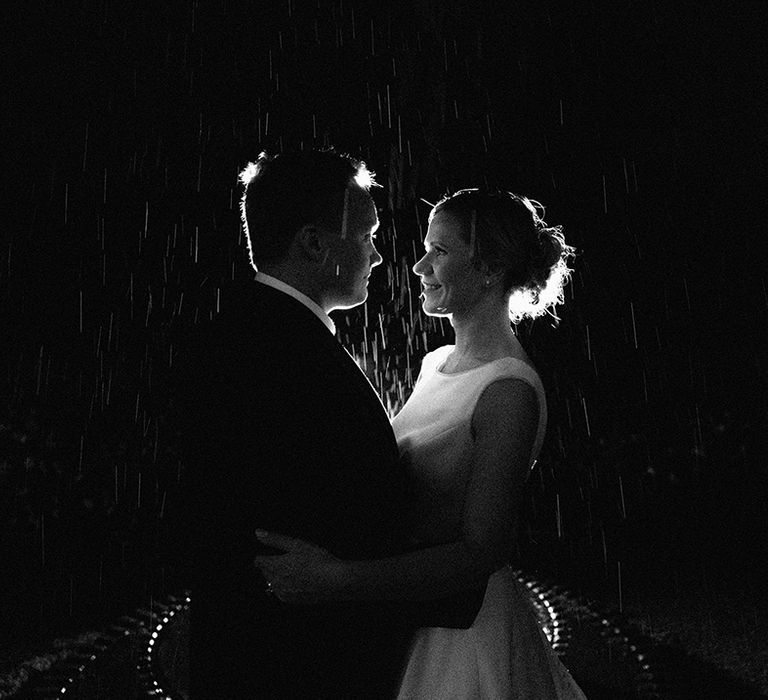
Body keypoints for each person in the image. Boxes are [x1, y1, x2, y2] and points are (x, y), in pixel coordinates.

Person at [172, 150, 487, 698]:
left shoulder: (249, 332)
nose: (380, 255)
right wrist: (461, 582)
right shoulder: (287, 357)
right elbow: (343, 525)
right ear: (315, 243)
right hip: (296, 668)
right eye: (366, 236)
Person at [254, 188, 588, 698]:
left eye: (440, 251)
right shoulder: (436, 363)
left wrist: (337, 579)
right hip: (411, 615)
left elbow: (482, 551)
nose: (418, 267)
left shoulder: (508, 392)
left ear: (489, 270)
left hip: (463, 634)